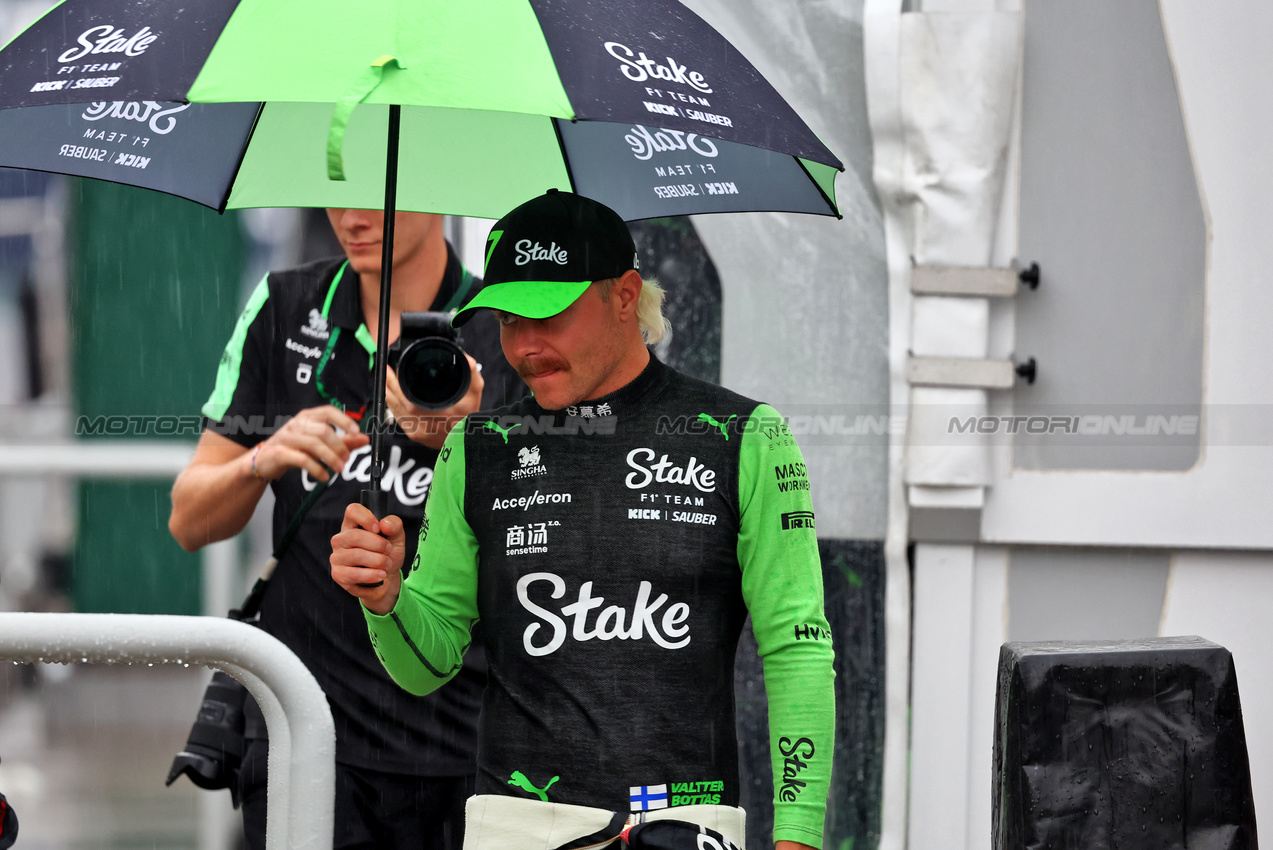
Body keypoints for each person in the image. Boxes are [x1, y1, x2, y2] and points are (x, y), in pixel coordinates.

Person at [330, 190, 835, 850]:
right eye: (509, 319)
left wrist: (797, 837)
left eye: (549, 316)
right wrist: (386, 599)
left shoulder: (745, 435)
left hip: (686, 827)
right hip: (513, 827)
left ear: (625, 296)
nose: (526, 345)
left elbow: (797, 647)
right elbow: (428, 665)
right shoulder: (478, 447)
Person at [169, 207, 524, 850]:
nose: (354, 216)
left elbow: (537, 546)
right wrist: (263, 456)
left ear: (438, 189)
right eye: (338, 191)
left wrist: (462, 441)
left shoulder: (507, 328)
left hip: (460, 742)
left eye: (377, 191)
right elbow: (189, 521)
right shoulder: (285, 305)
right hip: (300, 730)